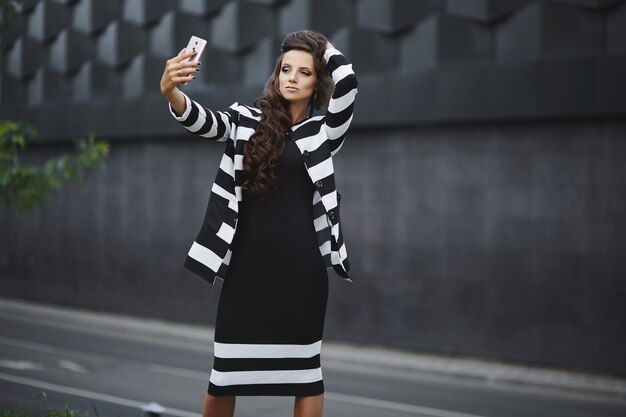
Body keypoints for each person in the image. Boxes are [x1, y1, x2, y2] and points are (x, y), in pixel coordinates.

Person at [159, 30, 358, 417]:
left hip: (303, 276)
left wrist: (319, 44)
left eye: (305, 72)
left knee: (307, 377)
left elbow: (348, 81)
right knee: (223, 378)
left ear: (318, 83)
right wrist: (171, 92)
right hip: (247, 274)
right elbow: (202, 121)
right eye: (286, 68)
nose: (292, 77)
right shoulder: (246, 121)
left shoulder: (322, 134)